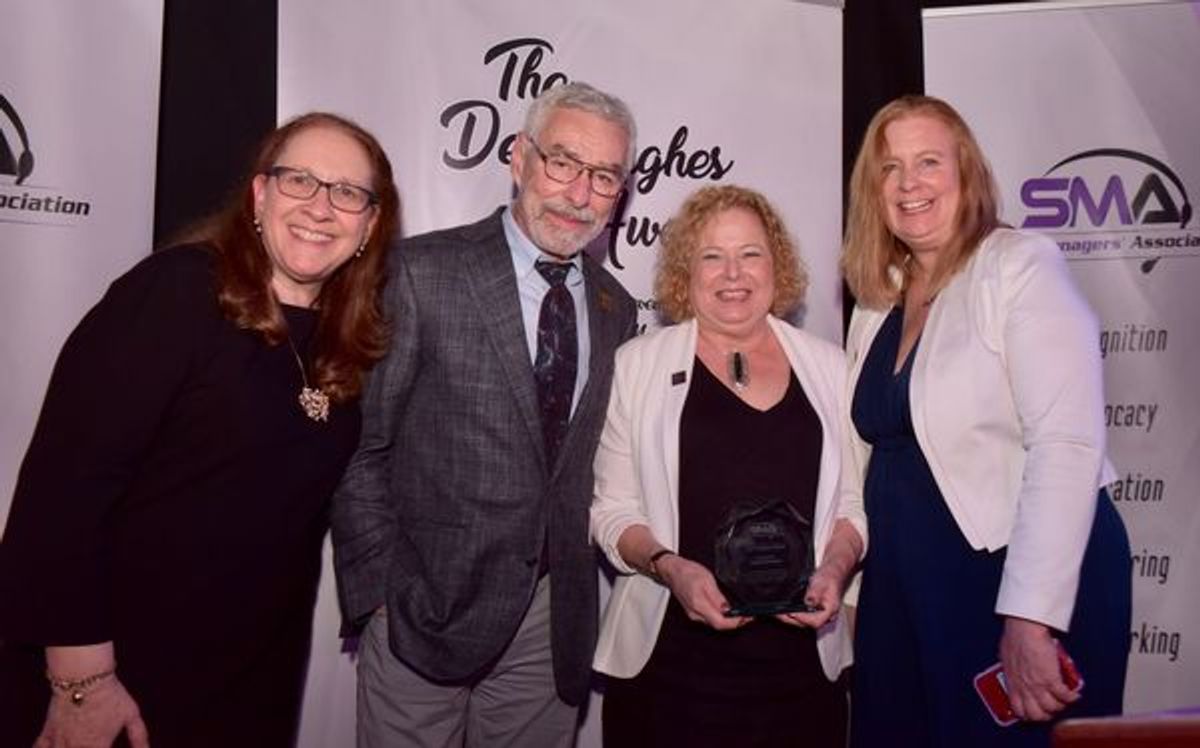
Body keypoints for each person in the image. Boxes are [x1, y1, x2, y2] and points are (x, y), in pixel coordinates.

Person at [0, 111, 399, 747]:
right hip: (118, 677)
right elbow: (63, 491)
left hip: (249, 681)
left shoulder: (345, 339)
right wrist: (82, 682)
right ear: (259, 195)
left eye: (347, 193)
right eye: (299, 181)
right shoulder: (176, 293)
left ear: (369, 225)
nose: (321, 207)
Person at [331, 81, 638, 748]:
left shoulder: (618, 308)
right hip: (422, 609)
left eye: (604, 176)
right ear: (520, 158)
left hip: (552, 625)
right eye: (563, 162)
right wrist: (380, 597)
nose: (579, 193)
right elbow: (362, 446)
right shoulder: (421, 272)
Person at [842, 95, 1131, 747]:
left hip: (1009, 579)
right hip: (903, 588)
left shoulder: (1020, 266)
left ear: (966, 172)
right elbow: (866, 462)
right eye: (890, 168)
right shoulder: (877, 298)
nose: (910, 183)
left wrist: (1030, 615)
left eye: (928, 162)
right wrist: (861, 599)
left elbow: (1067, 444)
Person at [590, 185, 867, 747]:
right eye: (711, 256)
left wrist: (835, 570)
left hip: (799, 673)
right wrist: (672, 569)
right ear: (685, 273)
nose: (732, 273)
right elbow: (612, 512)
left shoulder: (831, 368)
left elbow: (852, 508)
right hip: (667, 671)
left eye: (750, 254)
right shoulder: (637, 365)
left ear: (777, 264)